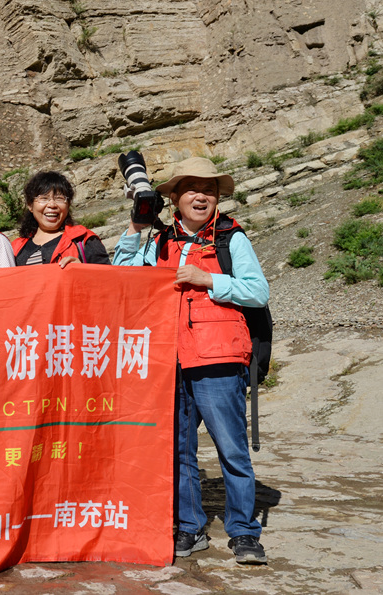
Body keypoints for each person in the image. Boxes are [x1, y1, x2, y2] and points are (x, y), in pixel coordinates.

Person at [112, 156, 269, 565]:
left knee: (231, 450)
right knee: (177, 450)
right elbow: (121, 275)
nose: (202, 196)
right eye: (192, 189)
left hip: (219, 358)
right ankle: (190, 526)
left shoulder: (231, 238)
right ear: (175, 198)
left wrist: (210, 280)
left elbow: (258, 292)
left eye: (210, 189)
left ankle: (244, 533)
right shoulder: (158, 240)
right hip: (169, 361)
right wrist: (135, 228)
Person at [11, 171, 110, 267]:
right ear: (30, 205)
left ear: (68, 204)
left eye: (59, 198)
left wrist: (84, 272)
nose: (52, 205)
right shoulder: (15, 249)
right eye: (44, 198)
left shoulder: (85, 240)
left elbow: (109, 280)